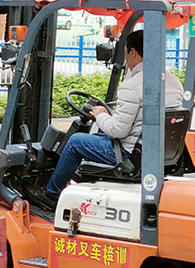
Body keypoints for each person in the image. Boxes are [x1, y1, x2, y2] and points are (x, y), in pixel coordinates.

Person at [25, 30, 185, 211]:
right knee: (101, 131)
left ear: (132, 52)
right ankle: (78, 177)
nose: (125, 57)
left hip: (129, 155)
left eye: (125, 51)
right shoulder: (173, 81)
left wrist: (100, 114)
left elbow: (119, 131)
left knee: (75, 142)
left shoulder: (132, 86)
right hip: (155, 151)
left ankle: (51, 194)